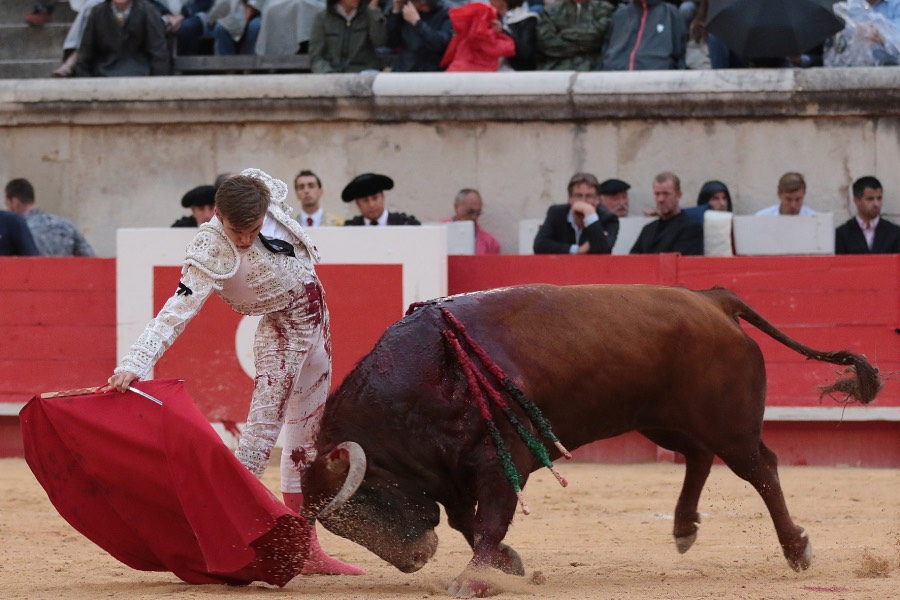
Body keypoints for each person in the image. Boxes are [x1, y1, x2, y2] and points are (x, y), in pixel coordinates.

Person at [102, 169, 364, 576]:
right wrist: (133, 363)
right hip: (280, 334)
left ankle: (306, 548)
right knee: (258, 442)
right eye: (234, 230)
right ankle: (226, 545)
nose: (243, 240)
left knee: (305, 443)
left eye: (253, 229)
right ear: (218, 216)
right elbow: (174, 314)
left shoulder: (266, 193)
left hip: (319, 329)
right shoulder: (209, 249)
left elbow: (251, 184)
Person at [75, 0, 172, 76]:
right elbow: (85, 54)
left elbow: (159, 53)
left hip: (140, 75)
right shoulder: (97, 12)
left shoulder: (148, 11)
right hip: (103, 75)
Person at [4, 178, 94, 257]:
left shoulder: (17, 230)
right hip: (65, 275)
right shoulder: (66, 224)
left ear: (15, 202)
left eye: (7, 203)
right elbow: (90, 258)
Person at [533, 172, 619, 254]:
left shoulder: (609, 219)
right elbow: (540, 245)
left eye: (589, 196)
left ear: (597, 200)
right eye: (578, 196)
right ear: (569, 199)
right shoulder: (556, 213)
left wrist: (590, 215)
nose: (583, 201)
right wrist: (576, 250)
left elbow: (603, 250)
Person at [598, 0, 687, 70]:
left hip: (655, 83)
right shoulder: (620, 15)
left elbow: (680, 54)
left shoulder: (670, 14)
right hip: (615, 80)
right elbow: (606, 51)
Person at [630, 171, 703, 255]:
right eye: (657, 194)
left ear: (678, 195)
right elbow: (632, 260)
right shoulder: (648, 229)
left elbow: (680, 262)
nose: (660, 199)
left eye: (666, 194)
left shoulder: (691, 228)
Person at [309, 0, 387, 73]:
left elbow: (379, 41)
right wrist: (328, 73)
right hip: (331, 74)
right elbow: (316, 57)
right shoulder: (322, 18)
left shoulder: (368, 16)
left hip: (361, 74)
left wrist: (373, 11)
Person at [536, 0, 615, 71]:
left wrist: (563, 33)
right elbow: (547, 41)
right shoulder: (551, 10)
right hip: (556, 67)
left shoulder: (604, 8)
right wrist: (579, 48)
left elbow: (597, 34)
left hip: (594, 67)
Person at [441, 3, 516, 71]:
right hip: (482, 75)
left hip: (458, 70)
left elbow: (450, 52)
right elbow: (509, 48)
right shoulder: (490, 39)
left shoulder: (463, 37)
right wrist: (501, 33)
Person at [835, 176, 900, 254]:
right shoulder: (842, 234)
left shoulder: (895, 233)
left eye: (879, 198)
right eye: (870, 199)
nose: (876, 204)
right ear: (857, 201)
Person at [386, 0, 453, 72]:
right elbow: (392, 42)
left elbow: (439, 44)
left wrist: (417, 23)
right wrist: (396, 12)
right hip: (405, 68)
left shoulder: (446, 13)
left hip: (431, 71)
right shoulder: (406, 11)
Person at [342, 173, 421, 225]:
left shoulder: (405, 224)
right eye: (365, 201)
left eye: (375, 198)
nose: (371, 205)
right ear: (358, 204)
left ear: (383, 197)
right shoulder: (350, 230)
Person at [450, 189, 501, 255]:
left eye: (478, 213)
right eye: (470, 212)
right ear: (456, 207)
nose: (474, 217)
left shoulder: (490, 244)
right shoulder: (439, 234)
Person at [492, 0, 539, 71]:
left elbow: (526, 54)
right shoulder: (491, 19)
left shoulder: (528, 19)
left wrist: (503, 33)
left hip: (517, 75)